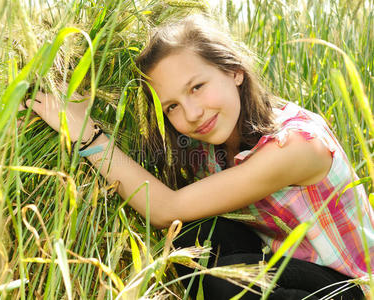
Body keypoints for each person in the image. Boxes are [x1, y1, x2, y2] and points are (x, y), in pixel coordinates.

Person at [25, 15, 372, 299]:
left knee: (225, 283)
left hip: (349, 287)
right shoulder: (205, 143)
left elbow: (164, 209)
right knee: (192, 232)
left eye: (197, 87)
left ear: (234, 71)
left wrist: (86, 135)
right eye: (172, 106)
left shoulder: (294, 146)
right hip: (288, 265)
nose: (191, 114)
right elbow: (163, 200)